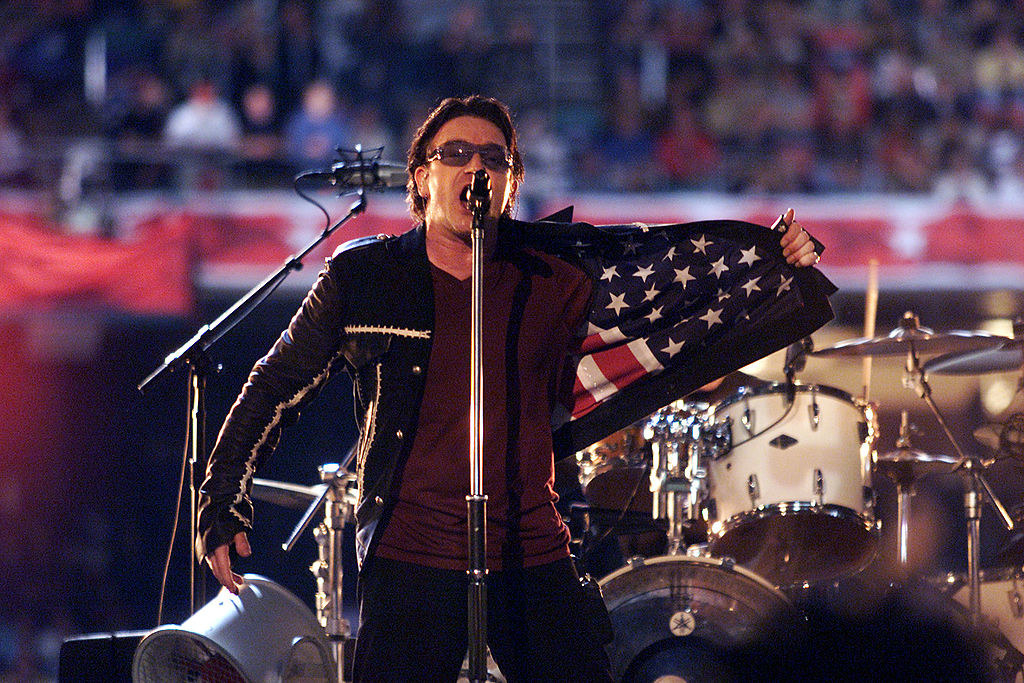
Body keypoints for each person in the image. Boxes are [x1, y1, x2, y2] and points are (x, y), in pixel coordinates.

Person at [195, 95, 820, 682]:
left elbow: (672, 278)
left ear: (511, 183)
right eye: (456, 153)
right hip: (408, 554)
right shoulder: (363, 276)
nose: (477, 168)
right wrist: (222, 500)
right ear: (421, 178)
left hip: (531, 550)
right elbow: (273, 385)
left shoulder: (555, 275)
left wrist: (774, 259)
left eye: (495, 159)